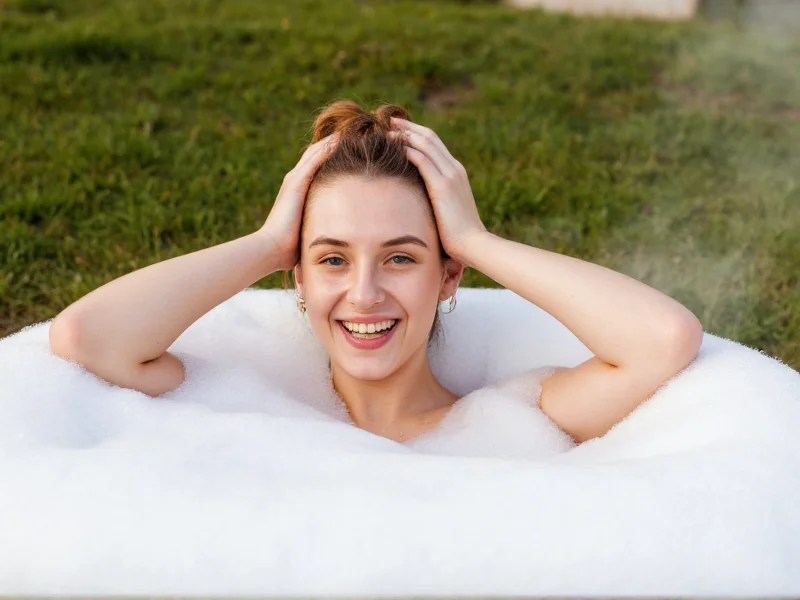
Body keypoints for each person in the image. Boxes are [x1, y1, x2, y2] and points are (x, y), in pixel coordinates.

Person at [49, 100, 704, 445]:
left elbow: (663, 340)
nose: (364, 293)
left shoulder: (515, 419)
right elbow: (85, 339)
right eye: (332, 258)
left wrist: (474, 238)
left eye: (401, 257)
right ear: (296, 276)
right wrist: (269, 239)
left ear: (449, 277)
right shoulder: (247, 409)